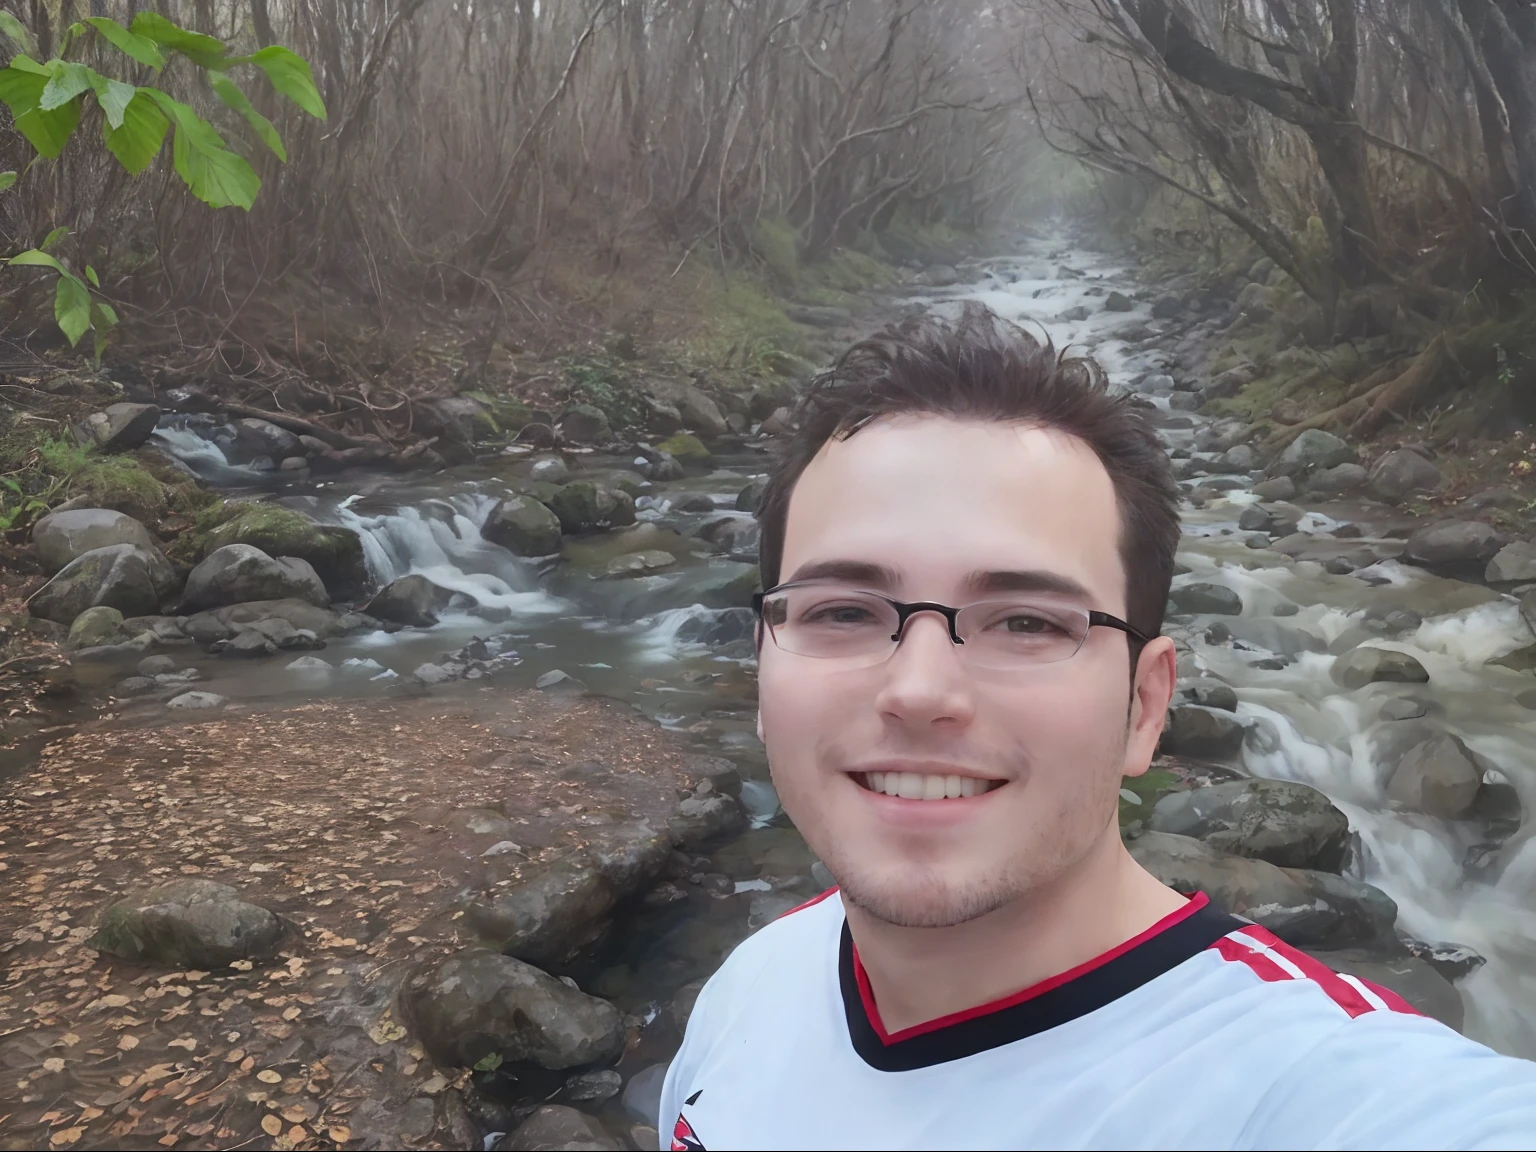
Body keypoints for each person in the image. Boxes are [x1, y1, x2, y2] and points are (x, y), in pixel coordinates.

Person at [658, 302, 1536, 1150]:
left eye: (1029, 623)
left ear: (1145, 706)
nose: (919, 689)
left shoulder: (1326, 1090)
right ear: (763, 672)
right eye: (843, 612)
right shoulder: (750, 992)